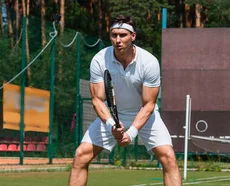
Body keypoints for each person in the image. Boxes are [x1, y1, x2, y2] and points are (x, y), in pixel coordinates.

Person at [68, 15, 181, 186]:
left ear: (133, 36)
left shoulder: (149, 62)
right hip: (111, 116)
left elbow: (149, 104)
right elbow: (97, 100)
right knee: (80, 155)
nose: (118, 40)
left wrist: (131, 133)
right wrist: (111, 125)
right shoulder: (99, 60)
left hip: (144, 114)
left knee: (168, 157)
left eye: (123, 35)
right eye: (114, 35)